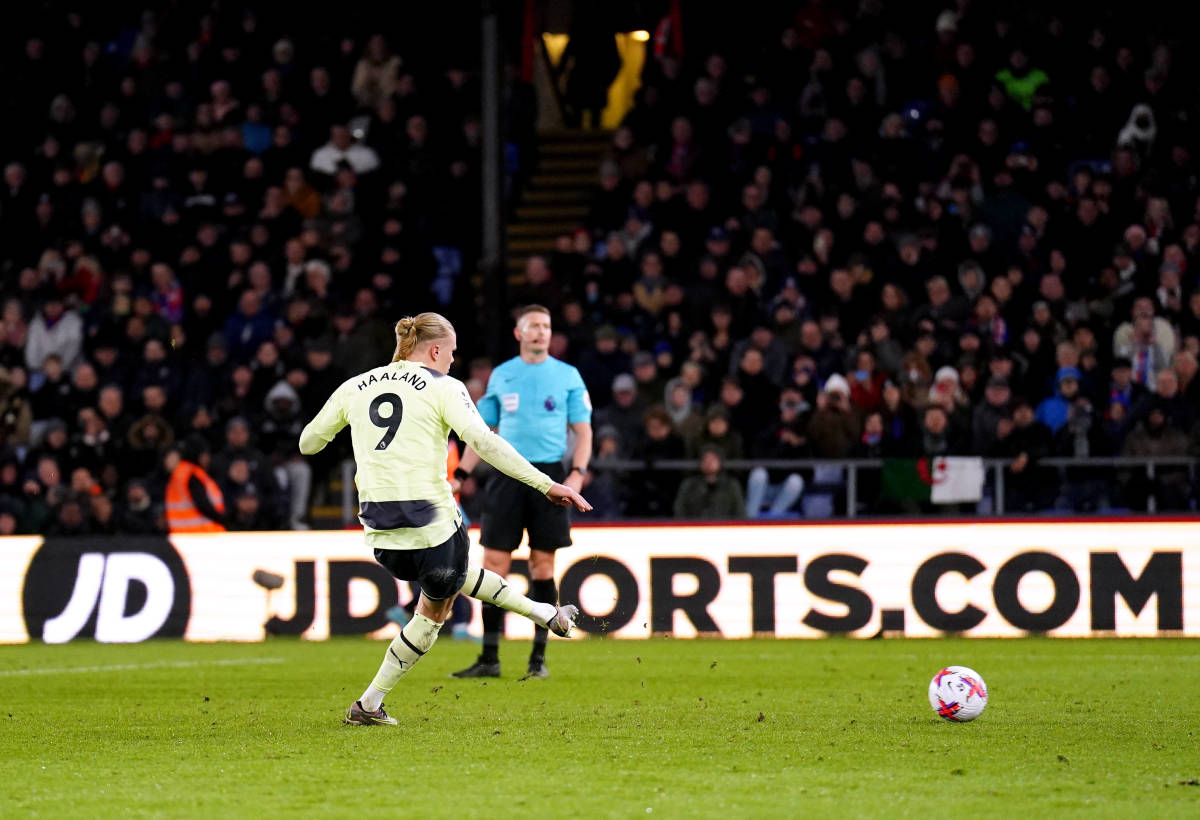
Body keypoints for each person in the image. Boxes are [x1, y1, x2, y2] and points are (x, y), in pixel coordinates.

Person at [299, 312, 591, 726]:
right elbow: (485, 442)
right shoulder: (444, 386)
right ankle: (367, 705)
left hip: (381, 532)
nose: (453, 361)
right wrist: (546, 484)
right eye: (451, 352)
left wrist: (353, 429)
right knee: (438, 603)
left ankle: (546, 614)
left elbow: (308, 443)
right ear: (435, 350)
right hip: (432, 520)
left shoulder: (355, 386)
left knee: (451, 578)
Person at [451, 305, 593, 680]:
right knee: (494, 565)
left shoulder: (567, 376)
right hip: (506, 474)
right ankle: (490, 658)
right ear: (519, 333)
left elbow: (583, 431)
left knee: (542, 567)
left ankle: (538, 659)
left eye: (546, 326)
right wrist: (462, 472)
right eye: (533, 326)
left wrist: (577, 472)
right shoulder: (503, 376)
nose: (540, 332)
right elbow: (482, 432)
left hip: (549, 475)